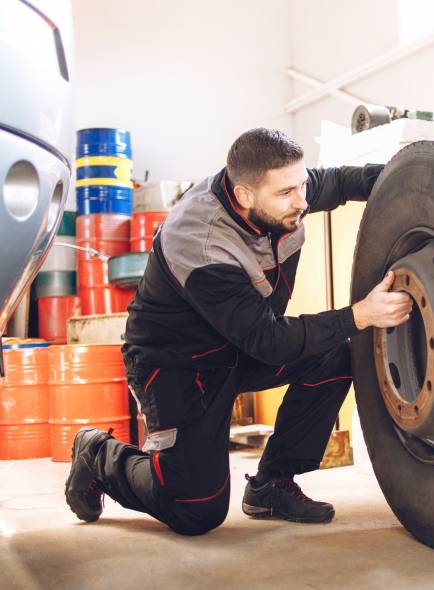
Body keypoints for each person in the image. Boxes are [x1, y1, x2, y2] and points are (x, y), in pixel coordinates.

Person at [64, 128, 412, 535]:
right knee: (196, 511)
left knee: (331, 356)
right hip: (179, 367)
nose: (303, 200)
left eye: (302, 186)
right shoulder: (202, 243)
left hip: (239, 346)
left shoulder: (280, 189)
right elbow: (270, 342)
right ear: (245, 196)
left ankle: (272, 484)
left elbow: (337, 181)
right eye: (287, 193)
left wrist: (413, 174)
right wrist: (360, 314)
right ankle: (98, 454)